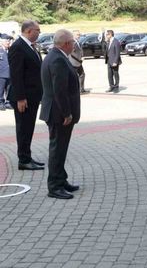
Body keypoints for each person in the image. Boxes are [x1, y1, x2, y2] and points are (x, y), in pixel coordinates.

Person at [39, 29, 81, 200]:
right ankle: (54, 187)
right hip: (59, 113)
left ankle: (61, 180)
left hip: (56, 111)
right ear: (66, 43)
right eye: (72, 42)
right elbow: (59, 91)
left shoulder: (55, 55)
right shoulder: (57, 60)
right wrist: (67, 113)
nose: (74, 44)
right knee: (57, 150)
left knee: (60, 149)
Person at [8, 20, 44, 170]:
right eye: (38, 30)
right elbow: (16, 75)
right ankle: (23, 160)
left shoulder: (29, 46)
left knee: (28, 128)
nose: (39, 33)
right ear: (29, 31)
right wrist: (20, 98)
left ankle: (27, 156)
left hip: (32, 96)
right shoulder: (18, 47)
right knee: (23, 128)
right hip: (24, 98)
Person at [0, 39, 10, 110]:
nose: (8, 42)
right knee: (1, 89)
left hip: (10, 74)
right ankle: (1, 102)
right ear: (2, 42)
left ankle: (8, 102)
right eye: (6, 41)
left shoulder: (10, 51)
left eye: (9, 41)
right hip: (1, 74)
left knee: (9, 89)